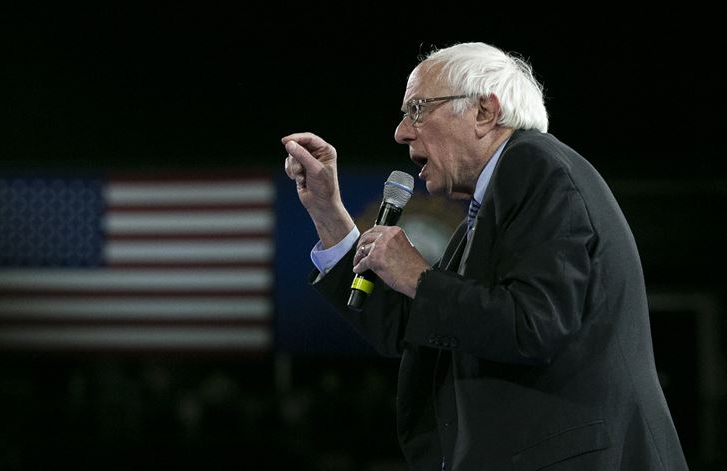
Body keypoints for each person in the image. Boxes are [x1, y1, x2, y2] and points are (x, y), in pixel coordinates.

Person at [281, 42, 688, 470]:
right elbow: (408, 326)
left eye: (417, 109)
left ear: (484, 112)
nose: (402, 131)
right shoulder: (484, 212)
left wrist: (419, 276)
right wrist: (328, 212)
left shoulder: (535, 166)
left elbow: (533, 323)